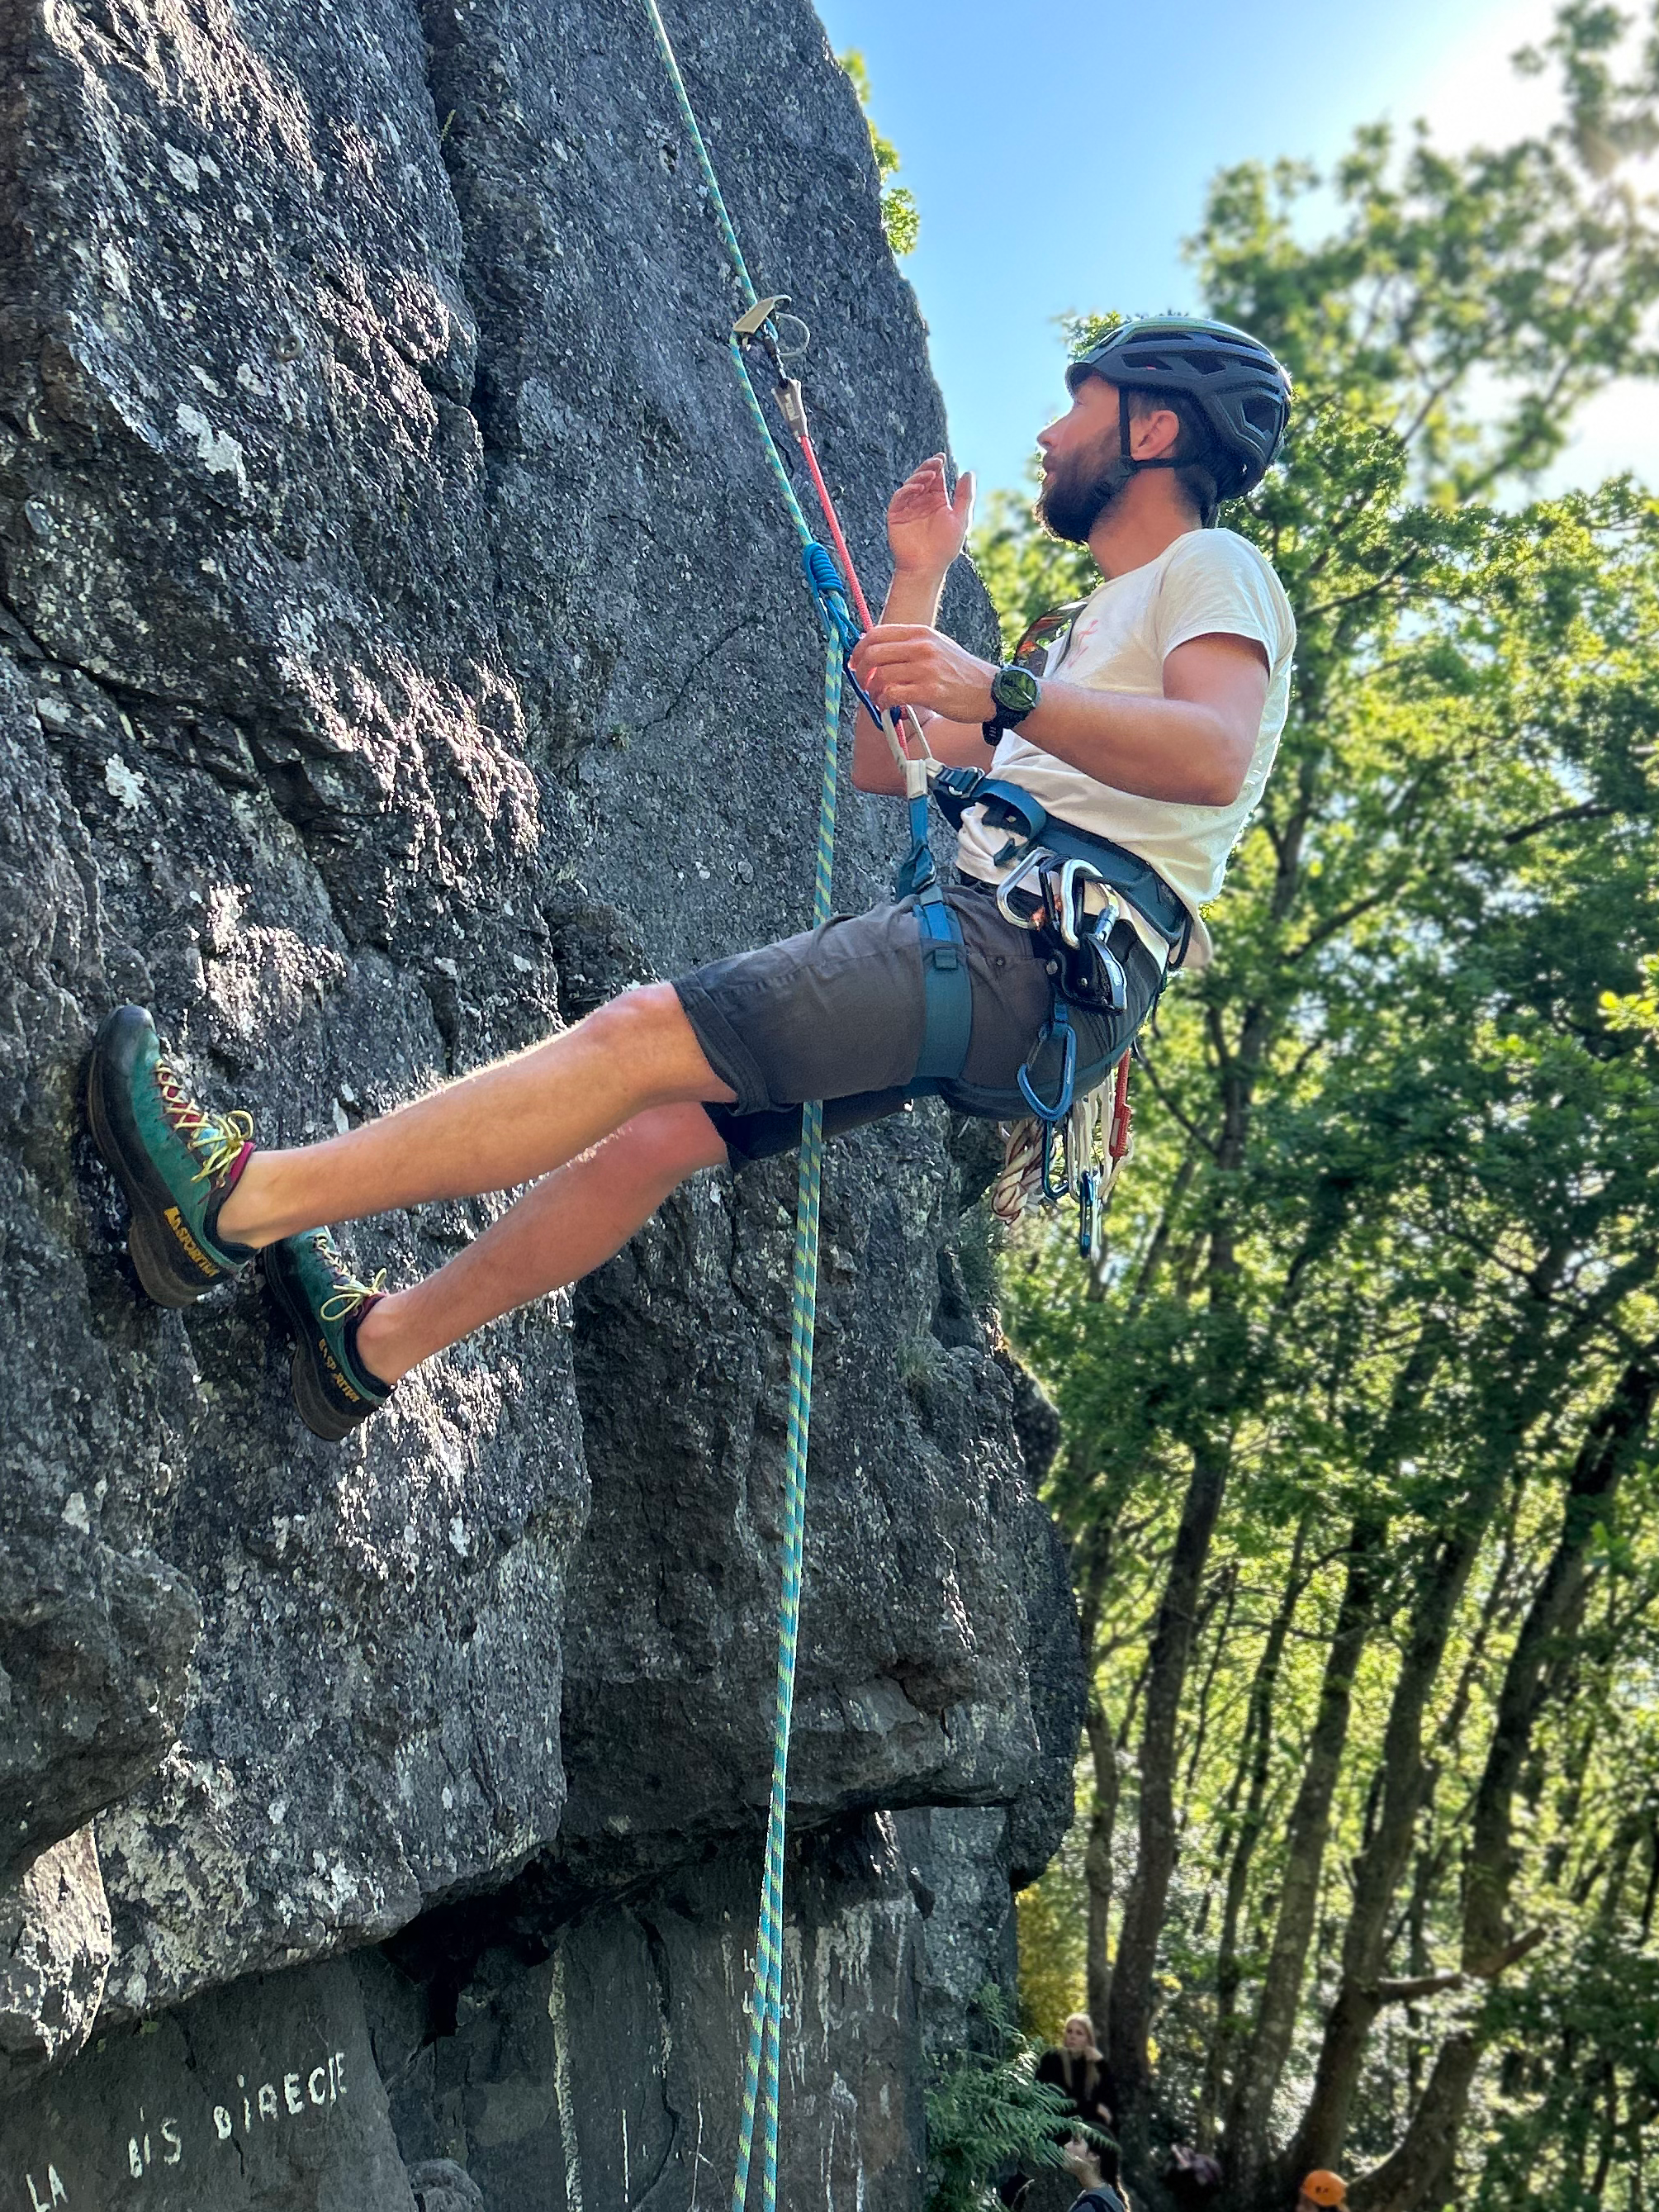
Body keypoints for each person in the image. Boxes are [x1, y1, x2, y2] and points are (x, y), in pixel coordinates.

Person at [83, 320, 1295, 1440]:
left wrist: (999, 688)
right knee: (656, 1135)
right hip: (1023, 982)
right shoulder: (1093, 628)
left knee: (640, 1036)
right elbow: (888, 760)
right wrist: (919, 577)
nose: (1048, 433)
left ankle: (233, 1206)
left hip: (1017, 954)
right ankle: (371, 1350)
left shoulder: (1212, 567)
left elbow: (1215, 753)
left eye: (1080, 406)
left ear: (1153, 429)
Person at [1036, 2010, 1125, 2182]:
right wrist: (1092, 2107)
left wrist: (1102, 2064)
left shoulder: (1093, 2067)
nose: (1072, 2037)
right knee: (1096, 2131)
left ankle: (1110, 2185)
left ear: (1088, 2039)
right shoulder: (1052, 2059)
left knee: (1105, 2133)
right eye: (1069, 2031)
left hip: (1085, 2127)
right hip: (1056, 2125)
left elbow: (1111, 2105)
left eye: (1079, 2033)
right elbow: (1057, 2102)